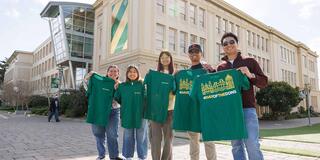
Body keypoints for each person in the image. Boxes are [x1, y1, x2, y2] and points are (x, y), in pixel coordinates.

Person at [217, 32, 268, 160]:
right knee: (236, 146)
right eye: (225, 43)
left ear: (237, 44)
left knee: (252, 144)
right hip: (231, 113)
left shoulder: (249, 61)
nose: (229, 45)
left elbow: (264, 82)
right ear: (223, 47)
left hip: (248, 110)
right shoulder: (221, 67)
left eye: (231, 42)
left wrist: (250, 74)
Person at [85, 65, 123, 160]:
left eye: (115, 71)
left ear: (118, 74)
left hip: (114, 111)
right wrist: (89, 76)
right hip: (98, 110)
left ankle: (114, 156)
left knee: (112, 134)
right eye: (111, 71)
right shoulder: (100, 82)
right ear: (107, 72)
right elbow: (87, 86)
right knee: (98, 133)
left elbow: (122, 99)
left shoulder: (120, 84)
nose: (113, 73)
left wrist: (117, 89)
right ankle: (101, 155)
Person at [187, 44, 217, 160]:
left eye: (197, 51)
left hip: (206, 110)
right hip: (192, 110)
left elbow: (216, 84)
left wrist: (213, 71)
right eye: (191, 51)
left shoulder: (207, 69)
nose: (194, 53)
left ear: (201, 53)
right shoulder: (187, 73)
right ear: (188, 54)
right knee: (193, 140)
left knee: (209, 140)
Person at [114, 65, 148, 160]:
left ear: (138, 73)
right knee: (128, 136)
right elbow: (117, 98)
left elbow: (148, 98)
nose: (132, 73)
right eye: (130, 72)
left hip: (141, 115)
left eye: (134, 71)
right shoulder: (122, 86)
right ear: (127, 74)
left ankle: (142, 157)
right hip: (127, 115)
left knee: (141, 137)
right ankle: (127, 156)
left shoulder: (143, 85)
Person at [148, 51, 175, 160]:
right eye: (162, 57)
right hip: (156, 110)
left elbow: (175, 91)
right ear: (159, 60)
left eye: (167, 57)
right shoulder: (154, 74)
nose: (164, 59)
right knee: (155, 138)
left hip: (170, 109)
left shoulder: (174, 74)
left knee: (169, 139)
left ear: (170, 59)